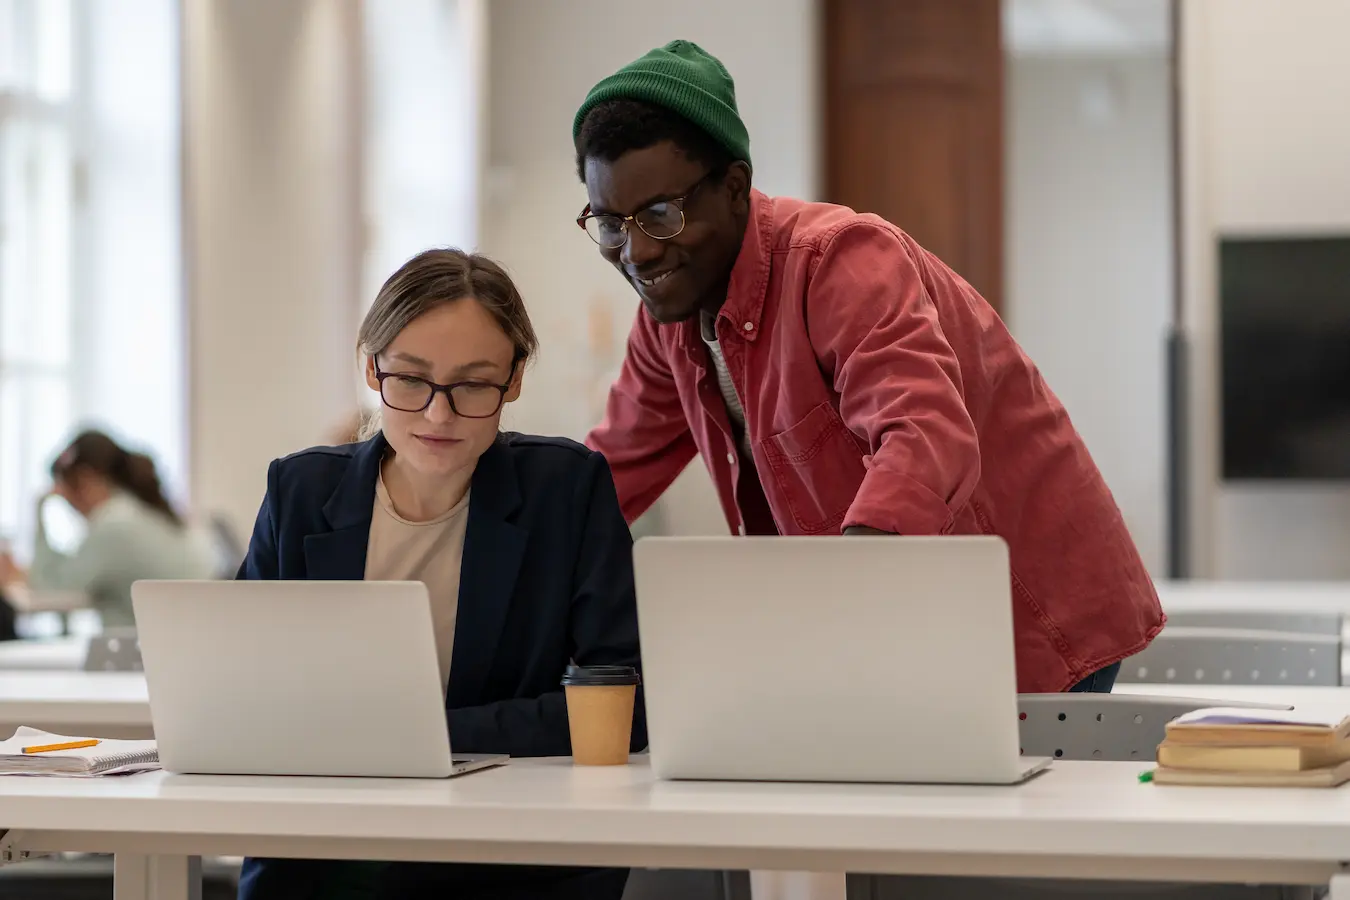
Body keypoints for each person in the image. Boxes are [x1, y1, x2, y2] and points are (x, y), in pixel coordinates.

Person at [573, 40, 1163, 695]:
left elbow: (925, 434)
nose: (639, 251)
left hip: (1030, 609)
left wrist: (843, 601)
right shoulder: (668, 324)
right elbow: (607, 474)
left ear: (735, 188)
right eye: (611, 224)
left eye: (661, 213)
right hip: (901, 623)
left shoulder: (837, 263)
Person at [235, 248, 643, 900]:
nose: (438, 415)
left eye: (474, 384)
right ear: (372, 367)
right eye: (411, 379)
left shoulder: (564, 490)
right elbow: (244, 687)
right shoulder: (301, 491)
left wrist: (415, 739)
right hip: (323, 848)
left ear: (513, 380)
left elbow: (624, 703)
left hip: (511, 856)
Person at [0, 431, 216, 629]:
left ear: (85, 480)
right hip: (185, 642)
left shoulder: (115, 524)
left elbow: (50, 587)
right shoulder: (143, 511)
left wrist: (40, 509)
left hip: (146, 655)